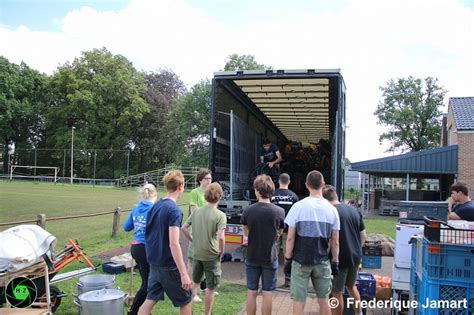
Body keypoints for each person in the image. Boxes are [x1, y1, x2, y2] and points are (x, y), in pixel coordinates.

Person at [285, 170, 340, 315]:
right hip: (322, 261)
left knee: (298, 301)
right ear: (323, 184)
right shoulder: (332, 210)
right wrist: (335, 261)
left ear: (306, 185)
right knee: (324, 300)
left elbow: (290, 238)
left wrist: (287, 259)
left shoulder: (297, 207)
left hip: (300, 260)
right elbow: (335, 241)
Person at [138, 170, 193, 315]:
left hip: (154, 263)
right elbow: (173, 244)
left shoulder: (156, 206)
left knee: (150, 299)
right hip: (168, 265)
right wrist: (183, 273)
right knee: (186, 300)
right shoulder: (174, 210)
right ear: (180, 186)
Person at [241, 175, 285, 315]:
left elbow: (246, 232)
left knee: (251, 292)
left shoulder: (248, 210)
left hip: (252, 255)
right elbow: (279, 232)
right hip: (270, 256)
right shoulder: (279, 211)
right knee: (268, 293)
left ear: (257, 191)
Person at [181, 183, 227, 315]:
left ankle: (188, 312)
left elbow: (183, 228)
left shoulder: (196, 212)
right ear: (219, 197)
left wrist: (192, 239)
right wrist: (221, 251)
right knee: (211, 288)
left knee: (194, 283)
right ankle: (206, 313)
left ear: (206, 196)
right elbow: (221, 237)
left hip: (197, 253)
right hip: (211, 255)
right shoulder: (220, 215)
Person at [323, 185, 367, 315]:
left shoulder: (330, 212)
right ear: (336, 196)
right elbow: (364, 236)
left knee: (336, 291)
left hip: (339, 258)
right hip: (355, 256)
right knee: (351, 287)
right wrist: (358, 250)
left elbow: (332, 240)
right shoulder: (354, 211)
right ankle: (359, 313)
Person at [123, 184, 158, 315]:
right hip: (146, 249)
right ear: (155, 194)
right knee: (148, 283)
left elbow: (126, 227)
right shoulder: (154, 209)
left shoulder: (136, 209)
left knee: (147, 281)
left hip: (136, 247)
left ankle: (143, 310)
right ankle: (134, 311)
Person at [187, 168, 213, 302]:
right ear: (200, 180)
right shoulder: (194, 192)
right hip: (197, 231)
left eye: (210, 178)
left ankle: (206, 287)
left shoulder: (211, 191)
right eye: (206, 179)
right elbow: (195, 211)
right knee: (193, 261)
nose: (209, 181)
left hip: (209, 232)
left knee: (208, 260)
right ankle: (192, 291)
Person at [271, 173, 299, 288]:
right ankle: (288, 279)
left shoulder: (272, 195)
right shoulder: (294, 196)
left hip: (274, 229)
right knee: (288, 253)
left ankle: (272, 279)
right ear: (289, 182)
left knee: (273, 253)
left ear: (278, 181)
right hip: (289, 229)